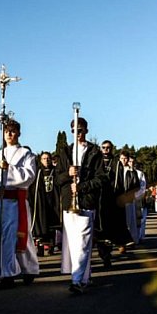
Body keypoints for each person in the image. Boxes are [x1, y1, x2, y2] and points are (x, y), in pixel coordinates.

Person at [0, 119, 39, 289]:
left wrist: (9, 170)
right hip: (0, 201)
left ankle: (29, 269)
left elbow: (29, 175)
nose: (9, 134)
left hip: (16, 202)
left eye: (13, 131)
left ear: (19, 133)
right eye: (6, 131)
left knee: (19, 236)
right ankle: (4, 273)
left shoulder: (26, 154)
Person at [56, 117, 106, 294]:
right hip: (69, 203)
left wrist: (83, 187)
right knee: (73, 244)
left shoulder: (94, 152)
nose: (77, 134)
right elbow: (57, 178)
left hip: (86, 202)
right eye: (74, 130)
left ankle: (77, 280)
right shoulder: (65, 152)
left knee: (83, 242)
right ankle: (85, 275)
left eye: (80, 130)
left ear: (86, 130)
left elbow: (101, 178)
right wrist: (68, 174)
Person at [94, 140, 132, 263]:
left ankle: (107, 254)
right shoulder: (96, 161)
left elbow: (120, 182)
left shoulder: (116, 163)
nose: (106, 150)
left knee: (110, 228)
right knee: (99, 228)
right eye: (104, 147)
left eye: (108, 148)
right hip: (98, 198)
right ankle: (103, 253)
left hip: (111, 198)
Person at [29, 151, 61, 256]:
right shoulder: (37, 172)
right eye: (44, 158)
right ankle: (40, 248)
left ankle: (51, 246)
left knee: (52, 224)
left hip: (52, 200)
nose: (46, 160)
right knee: (41, 224)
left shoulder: (55, 171)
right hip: (40, 202)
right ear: (40, 160)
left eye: (48, 158)